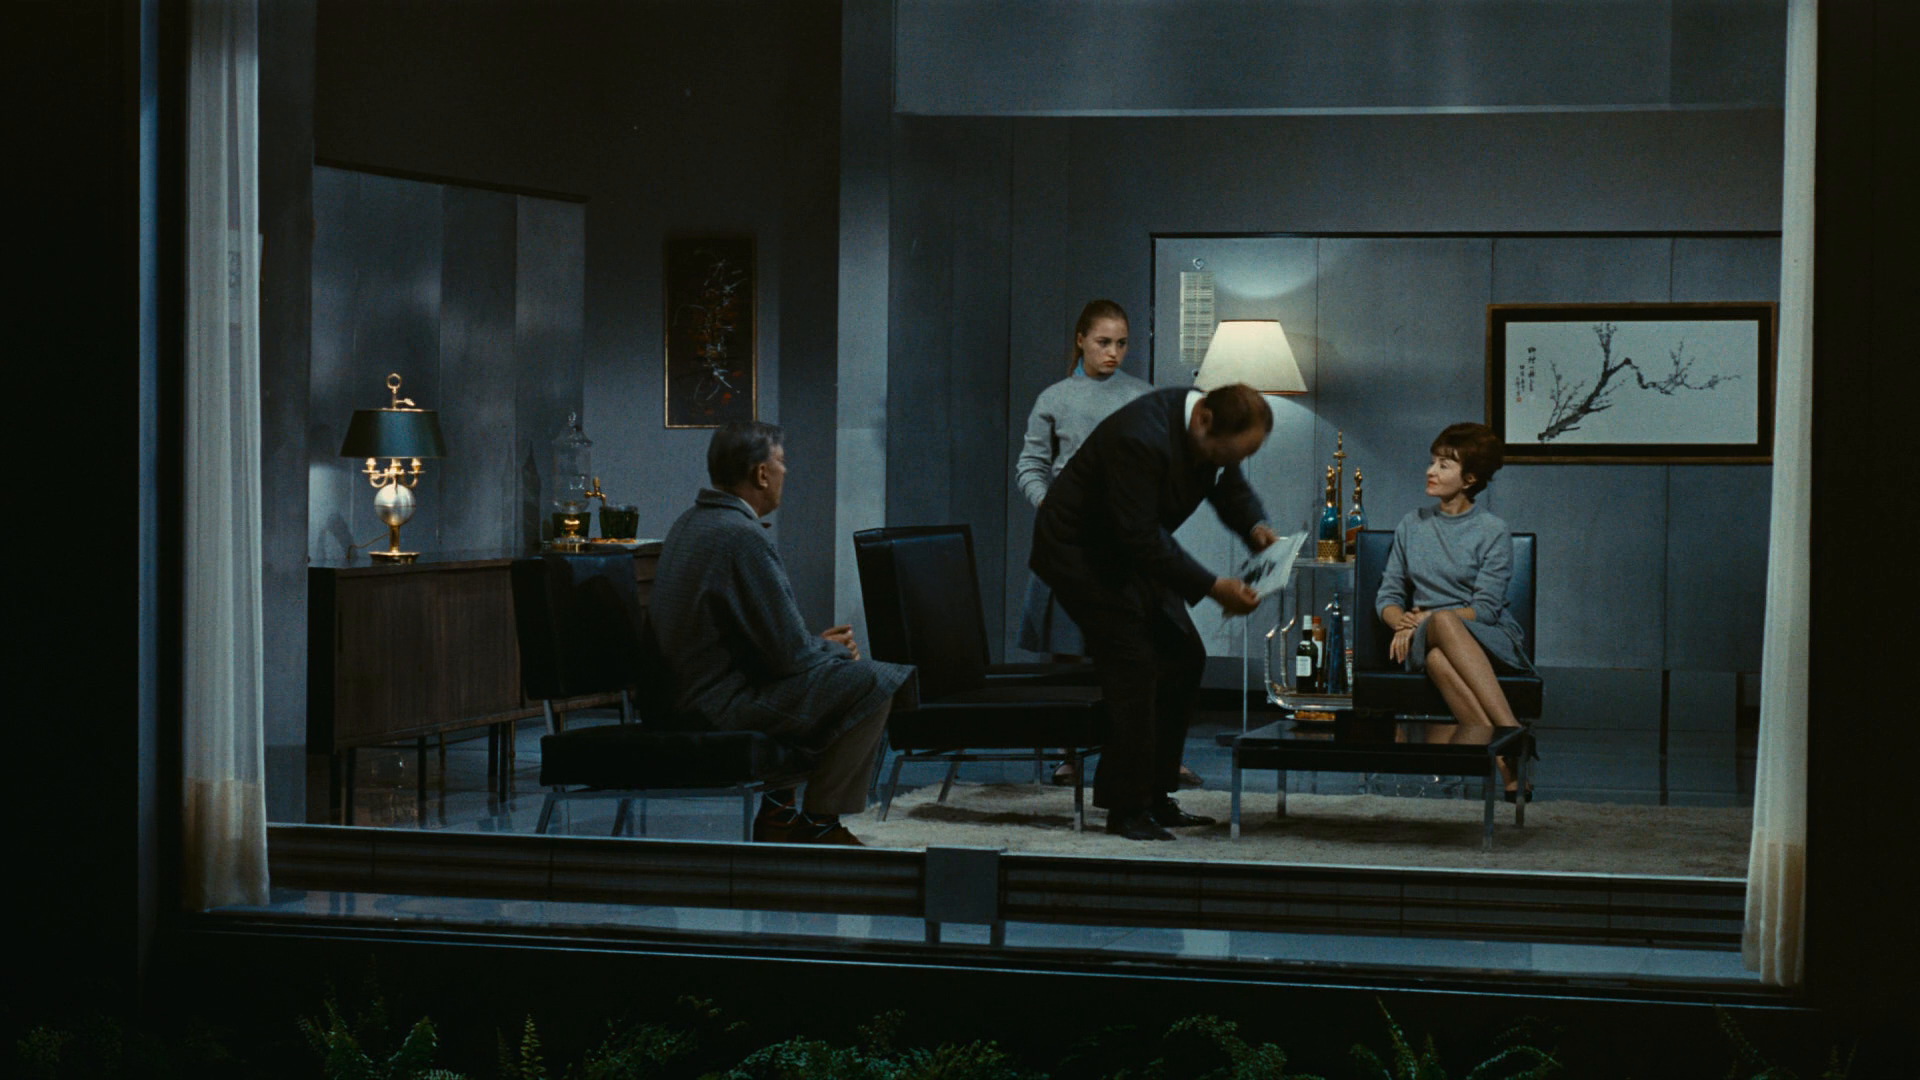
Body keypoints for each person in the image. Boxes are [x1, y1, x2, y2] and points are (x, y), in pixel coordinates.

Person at [1030, 383, 1279, 840]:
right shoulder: (1139, 439)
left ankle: (1156, 793)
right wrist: (1213, 587)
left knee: (1184, 655)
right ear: (1204, 421)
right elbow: (1140, 538)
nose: (1233, 461)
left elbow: (1228, 484)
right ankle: (1126, 809)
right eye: (1233, 452)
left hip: (1129, 549)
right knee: (1135, 664)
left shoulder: (1208, 430)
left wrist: (1255, 527)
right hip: (1080, 552)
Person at [651, 421, 912, 844]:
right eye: (782, 462)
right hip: (714, 707)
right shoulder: (741, 536)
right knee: (876, 681)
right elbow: (788, 655)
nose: (785, 472)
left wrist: (818, 648)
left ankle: (778, 811)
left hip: (680, 700)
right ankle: (821, 822)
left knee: (824, 676)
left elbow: (765, 645)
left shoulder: (691, 523)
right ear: (761, 473)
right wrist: (832, 649)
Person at [1014, 300, 1202, 788]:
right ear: (1081, 340)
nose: (1113, 352)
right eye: (1103, 342)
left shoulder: (1142, 395)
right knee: (1069, 651)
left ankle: (1159, 758)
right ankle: (1069, 754)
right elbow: (1031, 466)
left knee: (1156, 650)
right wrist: (1052, 507)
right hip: (1072, 541)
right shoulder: (1055, 398)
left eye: (1121, 343)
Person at [1374, 422, 1538, 801]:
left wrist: (1428, 618)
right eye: (1432, 462)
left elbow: (1486, 611)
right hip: (1425, 634)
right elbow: (1388, 596)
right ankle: (1513, 738)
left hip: (1487, 637)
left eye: (1444, 465)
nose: (1431, 471)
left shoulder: (1493, 530)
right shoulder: (1412, 524)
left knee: (1440, 645)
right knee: (1436, 644)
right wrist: (1402, 621)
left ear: (1470, 479)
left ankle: (1507, 754)